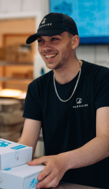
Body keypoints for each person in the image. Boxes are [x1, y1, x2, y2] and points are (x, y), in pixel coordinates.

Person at [18, 12, 109, 188]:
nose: (45, 47)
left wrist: (64, 161)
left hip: (97, 184)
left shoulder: (102, 79)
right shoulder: (37, 88)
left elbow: (106, 140)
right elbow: (26, 144)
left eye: (54, 39)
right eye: (41, 41)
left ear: (74, 41)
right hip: (55, 183)